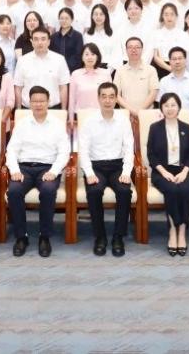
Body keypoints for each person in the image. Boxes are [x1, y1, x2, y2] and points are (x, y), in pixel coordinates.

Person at [5, 86, 71, 257]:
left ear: (48, 102)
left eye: (42, 101)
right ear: (29, 103)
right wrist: (14, 170)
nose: (38, 104)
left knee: (48, 191)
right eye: (35, 101)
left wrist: (54, 171)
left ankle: (44, 236)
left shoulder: (56, 125)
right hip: (24, 168)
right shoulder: (22, 124)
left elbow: (64, 152)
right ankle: (22, 237)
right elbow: (11, 150)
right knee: (14, 191)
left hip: (47, 168)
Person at [77, 82, 134, 257]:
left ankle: (118, 237)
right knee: (94, 191)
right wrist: (89, 173)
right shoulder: (89, 121)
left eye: (111, 97)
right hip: (96, 167)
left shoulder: (123, 120)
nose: (108, 100)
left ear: (116, 99)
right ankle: (100, 236)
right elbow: (83, 150)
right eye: (104, 96)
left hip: (117, 166)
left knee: (124, 191)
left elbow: (129, 149)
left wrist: (126, 172)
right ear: (98, 98)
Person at [147, 92, 189, 256]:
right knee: (172, 190)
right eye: (166, 105)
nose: (170, 108)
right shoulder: (155, 128)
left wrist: (185, 172)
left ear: (179, 107)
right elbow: (151, 155)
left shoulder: (187, 128)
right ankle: (172, 231)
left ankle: (181, 231)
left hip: (183, 171)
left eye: (173, 105)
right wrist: (164, 172)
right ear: (161, 108)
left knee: (187, 190)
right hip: (162, 172)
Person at [14, 28, 71, 109]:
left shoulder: (59, 60)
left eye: (43, 39)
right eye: (36, 39)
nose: (39, 42)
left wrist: (64, 110)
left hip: (53, 109)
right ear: (31, 42)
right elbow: (18, 88)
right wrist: (18, 111)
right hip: (28, 109)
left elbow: (63, 87)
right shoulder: (22, 61)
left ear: (49, 41)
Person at [113, 37, 159, 116]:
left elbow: (153, 93)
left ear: (142, 50)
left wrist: (139, 112)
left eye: (137, 47)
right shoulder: (120, 70)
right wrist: (132, 111)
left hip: (146, 115)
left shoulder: (151, 70)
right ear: (126, 50)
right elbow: (116, 94)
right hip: (125, 115)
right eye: (130, 47)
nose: (133, 50)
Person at [156, 46, 189, 116]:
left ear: (185, 60)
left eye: (180, 58)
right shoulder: (164, 81)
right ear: (170, 61)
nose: (177, 62)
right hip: (169, 119)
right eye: (174, 59)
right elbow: (161, 104)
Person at [68, 44, 111, 114]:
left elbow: (111, 98)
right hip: (81, 115)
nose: (90, 57)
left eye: (93, 54)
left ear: (97, 57)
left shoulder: (106, 74)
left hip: (101, 114)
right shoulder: (75, 74)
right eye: (86, 54)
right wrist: (71, 117)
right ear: (82, 57)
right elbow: (72, 99)